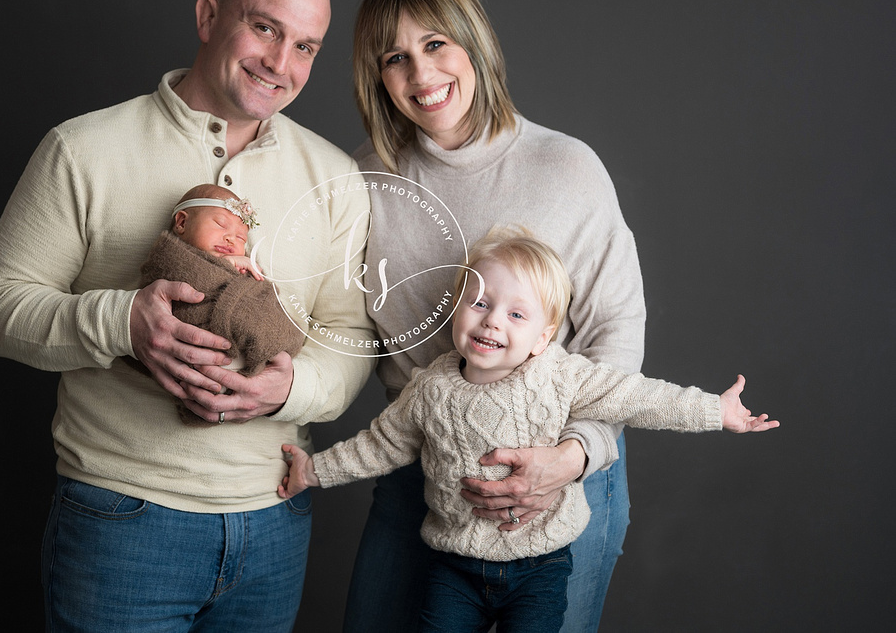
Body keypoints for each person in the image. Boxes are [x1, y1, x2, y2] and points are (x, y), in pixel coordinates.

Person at [0, 0, 376, 632]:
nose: (281, 63)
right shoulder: (84, 148)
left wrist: (288, 391)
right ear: (208, 16)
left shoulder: (336, 178)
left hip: (274, 522)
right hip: (123, 520)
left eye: (306, 46)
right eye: (265, 28)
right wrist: (121, 322)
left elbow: (351, 336)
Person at [280, 226, 778, 632]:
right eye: (478, 303)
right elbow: (380, 446)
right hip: (454, 565)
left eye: (516, 314)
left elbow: (635, 396)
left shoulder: (558, 375)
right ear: (456, 308)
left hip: (540, 564)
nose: (492, 321)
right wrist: (313, 471)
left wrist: (714, 410)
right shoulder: (429, 389)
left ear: (542, 338)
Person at [345, 0, 646, 632]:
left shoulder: (567, 169)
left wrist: (571, 456)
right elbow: (345, 331)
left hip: (564, 482)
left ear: (473, 42)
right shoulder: (364, 182)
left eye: (435, 45)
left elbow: (617, 329)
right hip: (424, 476)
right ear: (377, 74)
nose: (421, 76)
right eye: (395, 57)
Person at [121, 183, 306, 425]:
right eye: (220, 224)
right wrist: (229, 270)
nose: (231, 238)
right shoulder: (172, 261)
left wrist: (242, 276)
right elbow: (189, 285)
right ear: (182, 223)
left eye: (241, 238)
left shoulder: (236, 266)